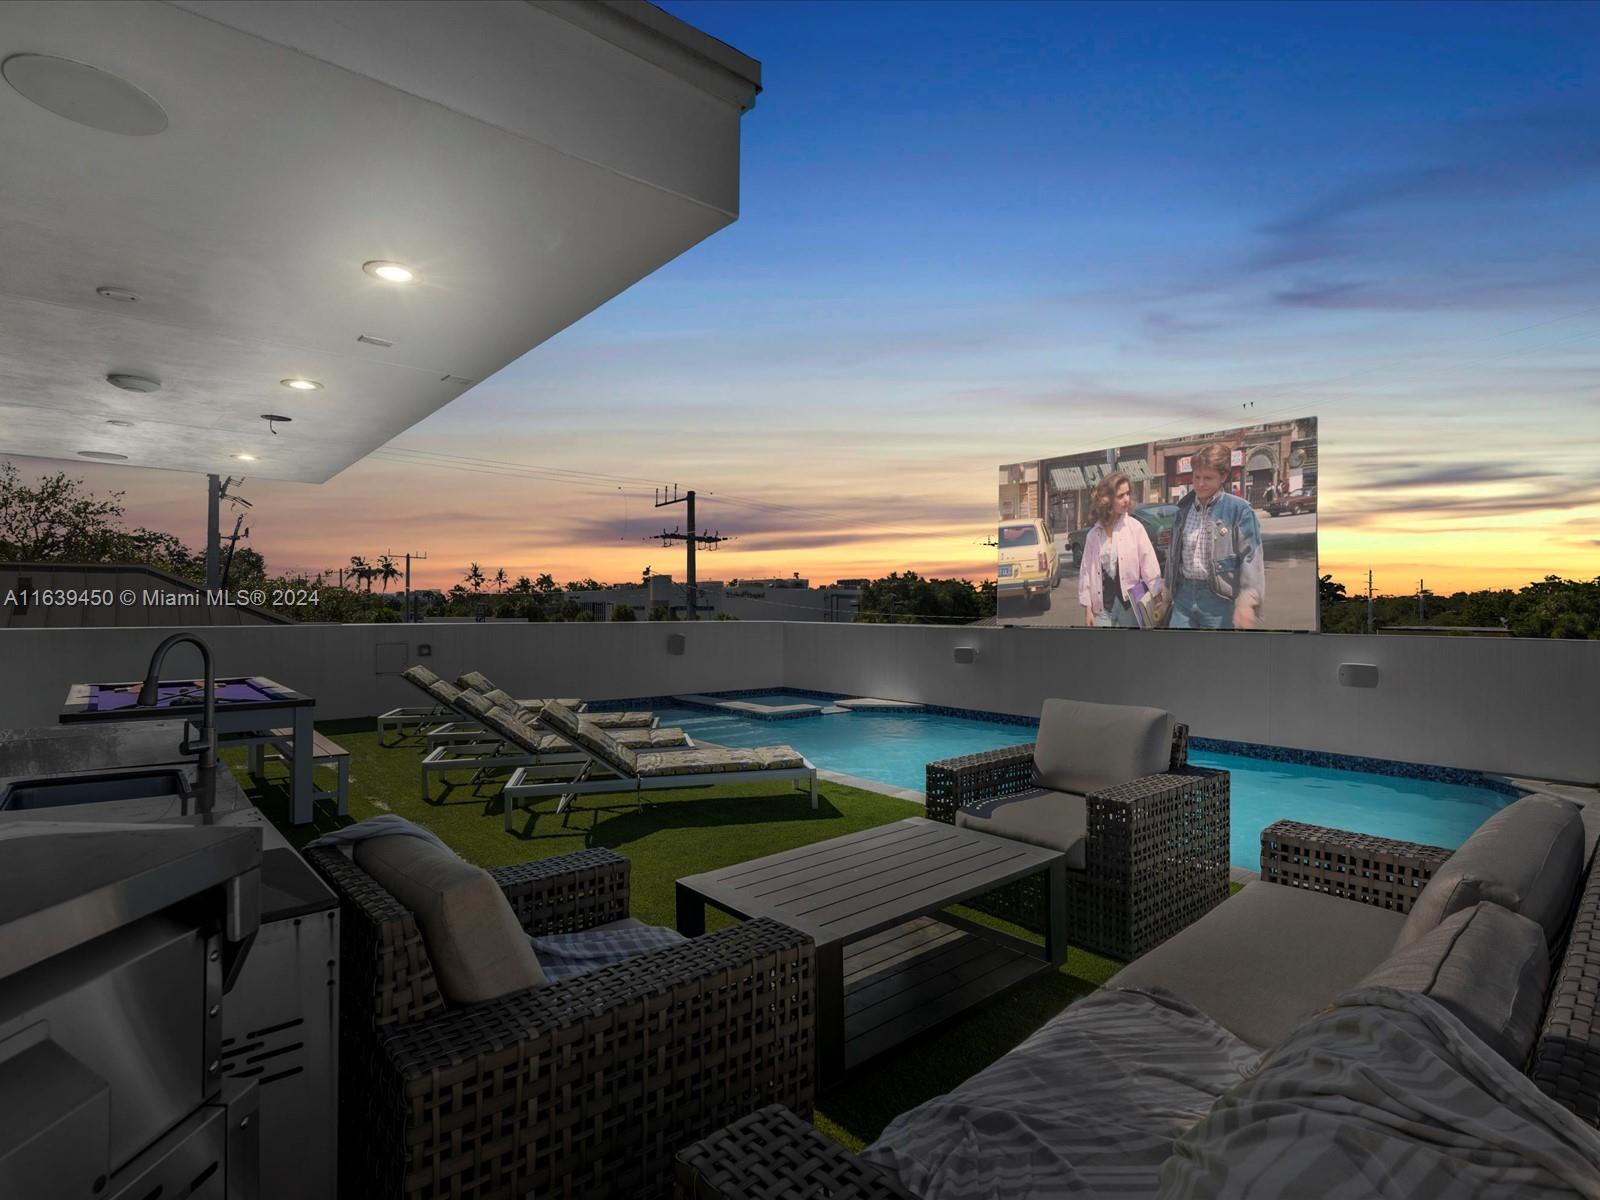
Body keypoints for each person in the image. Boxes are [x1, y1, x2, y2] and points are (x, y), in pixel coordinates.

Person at [1164, 444, 1265, 629]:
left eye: (1208, 478)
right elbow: (1173, 556)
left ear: (1223, 477)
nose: (1200, 484)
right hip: (1183, 596)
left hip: (1218, 601)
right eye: (1197, 477)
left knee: (1217, 655)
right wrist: (1167, 593)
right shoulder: (1182, 510)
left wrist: (1247, 600)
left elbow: (1251, 558)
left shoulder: (1239, 510)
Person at [1079, 471, 1161, 628]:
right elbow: (1086, 573)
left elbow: (1149, 565)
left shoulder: (1135, 528)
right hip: (1102, 609)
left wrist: (1158, 601)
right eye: (1120, 495)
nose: (1127, 499)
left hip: (1130, 607)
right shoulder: (1094, 535)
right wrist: (1087, 609)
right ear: (1108, 500)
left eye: (1128, 494)